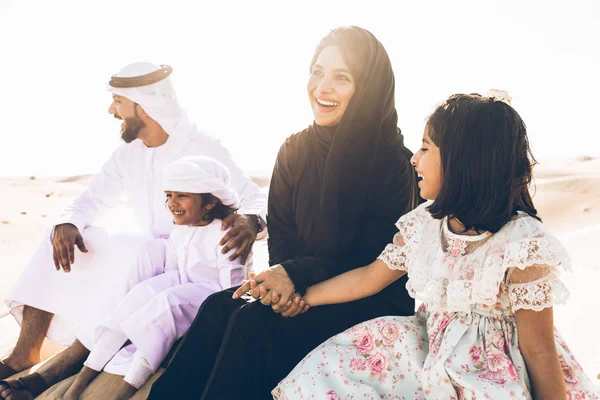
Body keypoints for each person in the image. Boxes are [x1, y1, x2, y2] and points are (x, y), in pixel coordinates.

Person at [147, 26, 420, 400]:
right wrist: (283, 286)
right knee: (217, 308)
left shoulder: (394, 162)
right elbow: (284, 234)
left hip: (366, 294)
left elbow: (373, 257)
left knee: (254, 322)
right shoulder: (295, 150)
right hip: (301, 282)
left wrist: (294, 278)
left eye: (341, 77)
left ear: (368, 87)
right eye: (318, 71)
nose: (322, 87)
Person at [271, 92, 599, 399]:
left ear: (464, 163)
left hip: (492, 371)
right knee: (343, 364)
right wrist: (304, 298)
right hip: (431, 350)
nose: (414, 159)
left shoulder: (521, 243)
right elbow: (370, 277)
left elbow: (539, 348)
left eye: (426, 148)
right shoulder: (425, 225)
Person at [0, 63, 267, 398]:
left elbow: (255, 197)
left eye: (118, 102)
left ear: (145, 105)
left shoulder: (204, 147)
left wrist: (252, 219)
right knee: (63, 232)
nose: (112, 110)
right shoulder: (128, 155)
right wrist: (68, 221)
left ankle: (69, 363)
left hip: (188, 263)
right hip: (152, 256)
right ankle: (25, 350)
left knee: (143, 251)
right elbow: (90, 199)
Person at [60, 156, 250, 400]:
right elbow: (172, 271)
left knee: (166, 303)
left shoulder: (227, 234)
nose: (172, 203)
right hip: (182, 288)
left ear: (210, 202)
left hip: (212, 301)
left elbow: (232, 290)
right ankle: (78, 384)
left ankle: (124, 393)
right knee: (141, 294)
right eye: (169, 195)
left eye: (182, 195)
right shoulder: (181, 230)